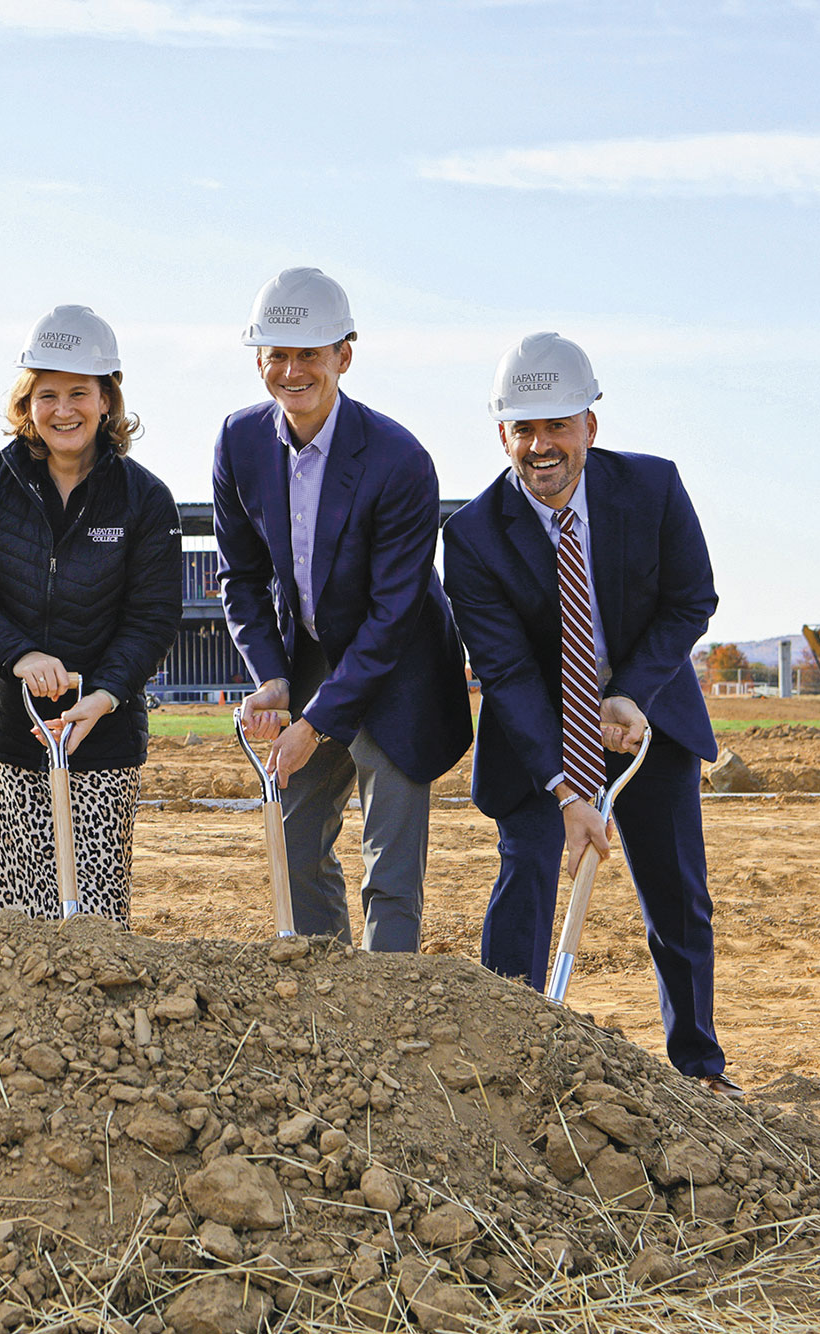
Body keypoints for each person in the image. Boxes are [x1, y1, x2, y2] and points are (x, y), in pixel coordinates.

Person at [440, 332, 737, 1096]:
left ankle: (699, 1066)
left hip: (646, 719)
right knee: (530, 869)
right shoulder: (471, 537)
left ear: (589, 427)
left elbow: (689, 600)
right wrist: (568, 790)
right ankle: (506, 1060)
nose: (541, 446)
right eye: (523, 430)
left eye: (557, 426)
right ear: (502, 434)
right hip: (538, 729)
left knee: (675, 891)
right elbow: (503, 670)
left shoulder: (653, 489)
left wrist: (632, 692)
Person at [213, 267, 472, 950]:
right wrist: (270, 675)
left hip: (399, 670)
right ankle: (331, 1015)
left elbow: (392, 617)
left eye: (311, 354)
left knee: (388, 873)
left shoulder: (399, 461)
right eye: (278, 355)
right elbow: (239, 577)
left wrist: (315, 724)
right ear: (259, 359)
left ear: (343, 357)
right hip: (308, 659)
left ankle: (388, 1025)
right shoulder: (238, 442)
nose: (293, 371)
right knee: (295, 849)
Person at [0, 306, 183, 924]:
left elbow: (153, 617)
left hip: (101, 746)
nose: (63, 409)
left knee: (92, 934)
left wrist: (103, 694)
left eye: (79, 392)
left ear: (107, 399)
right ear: (27, 403)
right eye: (46, 394)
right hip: (6, 738)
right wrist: (22, 655)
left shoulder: (145, 498)